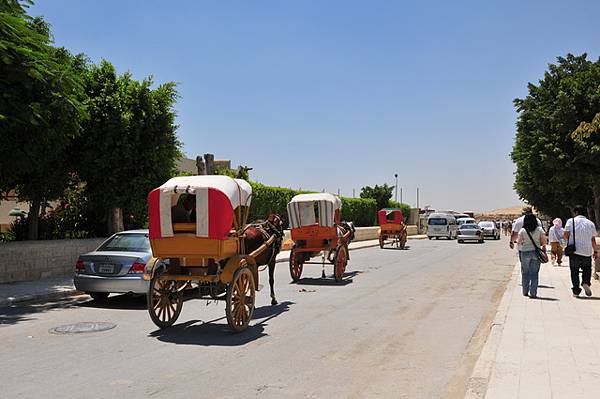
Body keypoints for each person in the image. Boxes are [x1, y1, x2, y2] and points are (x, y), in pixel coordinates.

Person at [564, 205, 598, 297]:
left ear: (576, 212)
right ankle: (586, 282)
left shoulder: (571, 221)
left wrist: (569, 241)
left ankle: (576, 290)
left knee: (574, 271)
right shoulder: (590, 223)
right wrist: (595, 251)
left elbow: (566, 235)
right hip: (587, 251)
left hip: (574, 251)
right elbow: (593, 239)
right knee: (587, 269)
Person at [517, 213, 547, 298]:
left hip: (525, 252)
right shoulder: (540, 229)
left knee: (525, 272)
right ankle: (533, 293)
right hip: (536, 253)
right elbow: (544, 242)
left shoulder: (522, 230)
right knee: (534, 273)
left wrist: (523, 243)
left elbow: (519, 242)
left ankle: (525, 291)